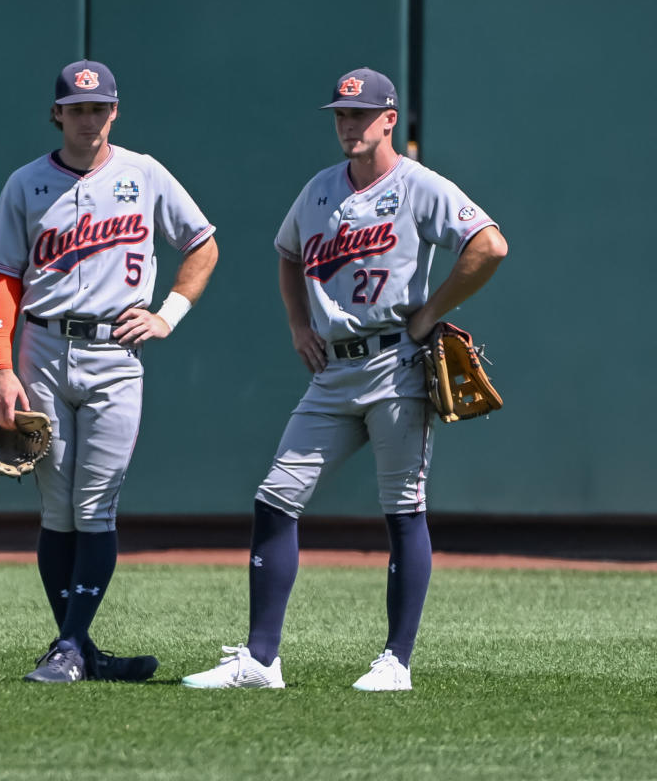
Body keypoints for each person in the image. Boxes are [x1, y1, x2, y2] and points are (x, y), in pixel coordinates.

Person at [182, 67, 507, 692]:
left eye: (359, 115)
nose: (347, 125)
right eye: (340, 115)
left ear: (390, 119)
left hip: (396, 364)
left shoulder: (418, 186)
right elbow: (288, 253)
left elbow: (488, 246)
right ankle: (260, 660)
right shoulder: (320, 190)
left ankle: (396, 663)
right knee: (275, 498)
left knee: (402, 511)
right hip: (333, 370)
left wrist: (432, 313)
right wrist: (298, 323)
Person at [0, 59, 219, 683]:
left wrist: (169, 313)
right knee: (57, 508)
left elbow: (202, 244)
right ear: (57, 113)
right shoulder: (26, 183)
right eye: (76, 107)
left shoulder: (144, 174)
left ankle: (70, 646)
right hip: (43, 349)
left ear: (114, 111)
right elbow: (5, 280)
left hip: (116, 355)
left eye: (99, 107)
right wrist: (1, 369)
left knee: (97, 504)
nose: (88, 118)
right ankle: (76, 648)